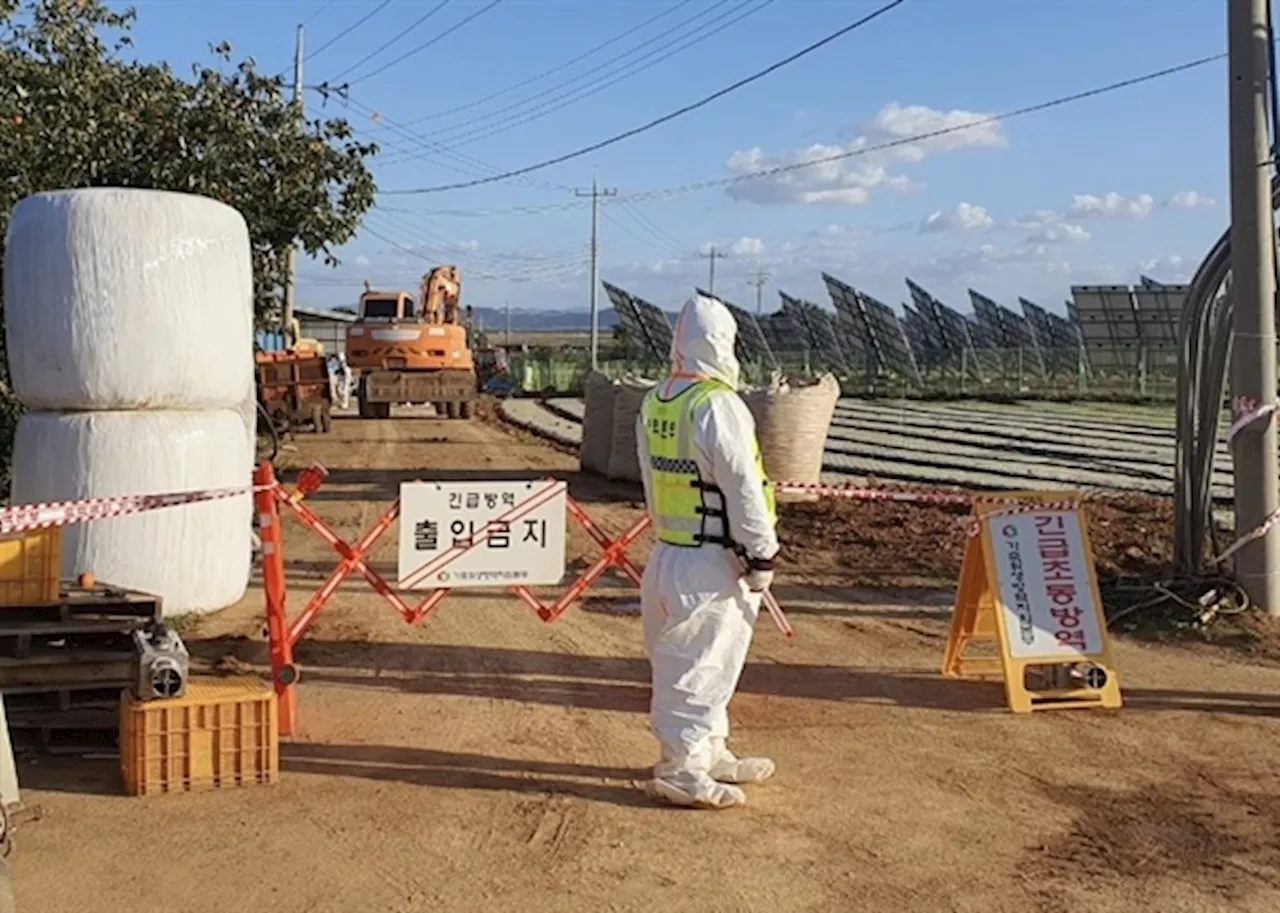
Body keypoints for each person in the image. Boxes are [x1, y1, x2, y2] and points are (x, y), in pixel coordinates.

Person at [635, 293, 780, 810]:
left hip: (670, 553)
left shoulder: (658, 401)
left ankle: (709, 750)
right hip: (714, 561)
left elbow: (653, 482)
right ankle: (681, 767)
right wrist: (761, 554)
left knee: (698, 661)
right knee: (697, 665)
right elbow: (742, 484)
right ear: (721, 343)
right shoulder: (718, 405)